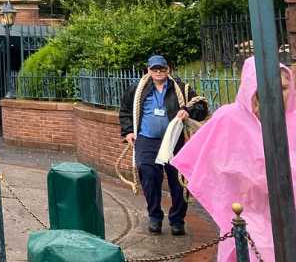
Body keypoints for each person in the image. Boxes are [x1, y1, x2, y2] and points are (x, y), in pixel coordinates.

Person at [172, 57, 295, 262]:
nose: (278, 94)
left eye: (283, 88)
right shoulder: (229, 118)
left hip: (288, 218)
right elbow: (210, 163)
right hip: (249, 218)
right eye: (268, 88)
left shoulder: (291, 121)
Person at [119, 54, 209, 236]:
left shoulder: (182, 88)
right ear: (148, 70)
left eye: (162, 68)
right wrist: (128, 131)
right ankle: (155, 216)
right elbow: (126, 111)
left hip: (174, 140)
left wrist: (187, 110)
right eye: (155, 69)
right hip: (146, 140)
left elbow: (202, 107)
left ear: (168, 69)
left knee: (178, 180)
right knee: (148, 175)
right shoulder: (137, 89)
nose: (159, 72)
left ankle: (177, 220)